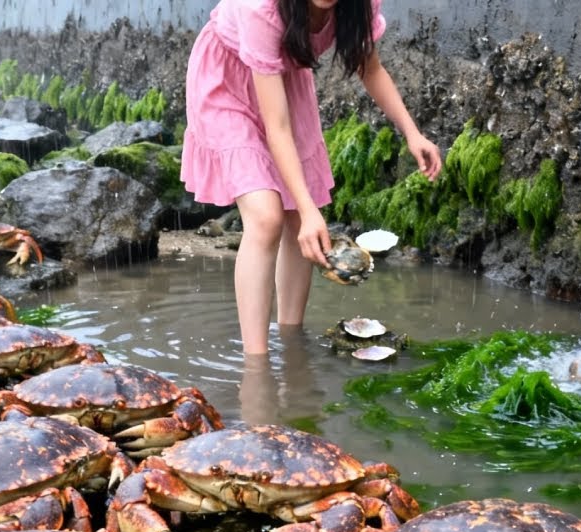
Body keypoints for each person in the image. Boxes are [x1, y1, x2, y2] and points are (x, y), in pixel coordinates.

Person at [180, 0, 443, 356]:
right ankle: (256, 365)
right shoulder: (263, 8)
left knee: (294, 219)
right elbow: (277, 127)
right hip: (226, 80)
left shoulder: (358, 5)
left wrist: (412, 133)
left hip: (286, 80)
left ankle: (291, 345)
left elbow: (370, 67)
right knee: (266, 217)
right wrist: (309, 210)